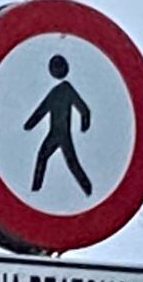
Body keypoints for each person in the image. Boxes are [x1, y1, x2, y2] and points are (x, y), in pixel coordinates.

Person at [22, 53, 95, 198]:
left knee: (69, 163)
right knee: (48, 158)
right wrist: (28, 125)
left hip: (61, 134)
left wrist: (84, 126)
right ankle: (35, 191)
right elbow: (42, 110)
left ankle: (88, 189)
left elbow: (83, 109)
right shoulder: (57, 92)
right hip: (55, 133)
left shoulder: (65, 90)